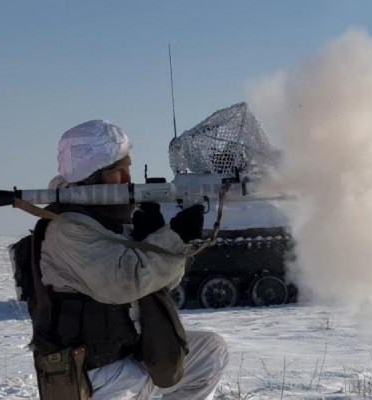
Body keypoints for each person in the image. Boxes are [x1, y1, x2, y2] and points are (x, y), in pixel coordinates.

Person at [19, 119, 228, 400]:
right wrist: (172, 238)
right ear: (93, 176)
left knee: (209, 351)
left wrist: (154, 238)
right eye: (119, 170)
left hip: (127, 360)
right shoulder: (68, 228)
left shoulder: (103, 220)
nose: (128, 179)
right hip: (95, 376)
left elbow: (163, 279)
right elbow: (127, 282)